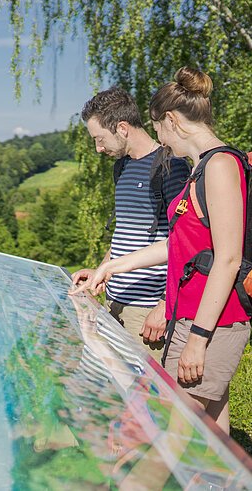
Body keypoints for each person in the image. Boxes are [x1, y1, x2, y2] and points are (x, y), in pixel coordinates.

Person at [72, 68, 250, 434]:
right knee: (209, 429)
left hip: (206, 319)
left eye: (159, 129)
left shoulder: (215, 165)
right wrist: (111, 267)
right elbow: (178, 244)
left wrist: (194, 337)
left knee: (166, 431)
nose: (161, 139)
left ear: (171, 120)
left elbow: (228, 259)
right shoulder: (202, 167)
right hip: (189, 312)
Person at [71, 88, 190, 359]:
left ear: (122, 128)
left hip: (147, 312)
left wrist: (164, 306)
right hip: (113, 303)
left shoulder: (171, 167)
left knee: (146, 396)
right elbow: (125, 233)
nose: (98, 148)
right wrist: (101, 270)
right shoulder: (121, 167)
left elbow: (184, 243)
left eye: (99, 139)